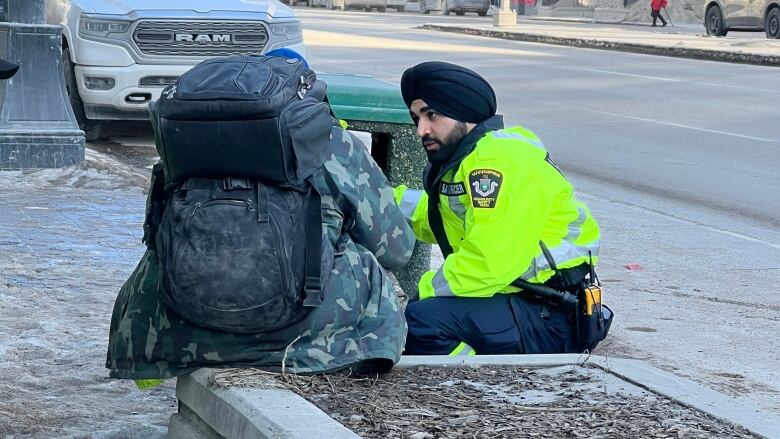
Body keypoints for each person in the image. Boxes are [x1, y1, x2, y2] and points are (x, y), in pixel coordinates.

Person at [106, 62, 416, 379]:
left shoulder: (185, 145)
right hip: (309, 344)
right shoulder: (333, 145)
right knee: (364, 257)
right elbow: (396, 249)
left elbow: (154, 232)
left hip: (179, 336)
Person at [394, 61, 602, 356]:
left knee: (419, 322)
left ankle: (472, 381)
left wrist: (420, 296)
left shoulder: (499, 160)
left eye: (432, 115)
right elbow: (438, 218)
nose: (421, 130)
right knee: (419, 319)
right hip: (521, 302)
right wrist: (378, 200)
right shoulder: (467, 158)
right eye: (416, 118)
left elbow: (487, 263)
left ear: (464, 114)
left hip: (549, 315)